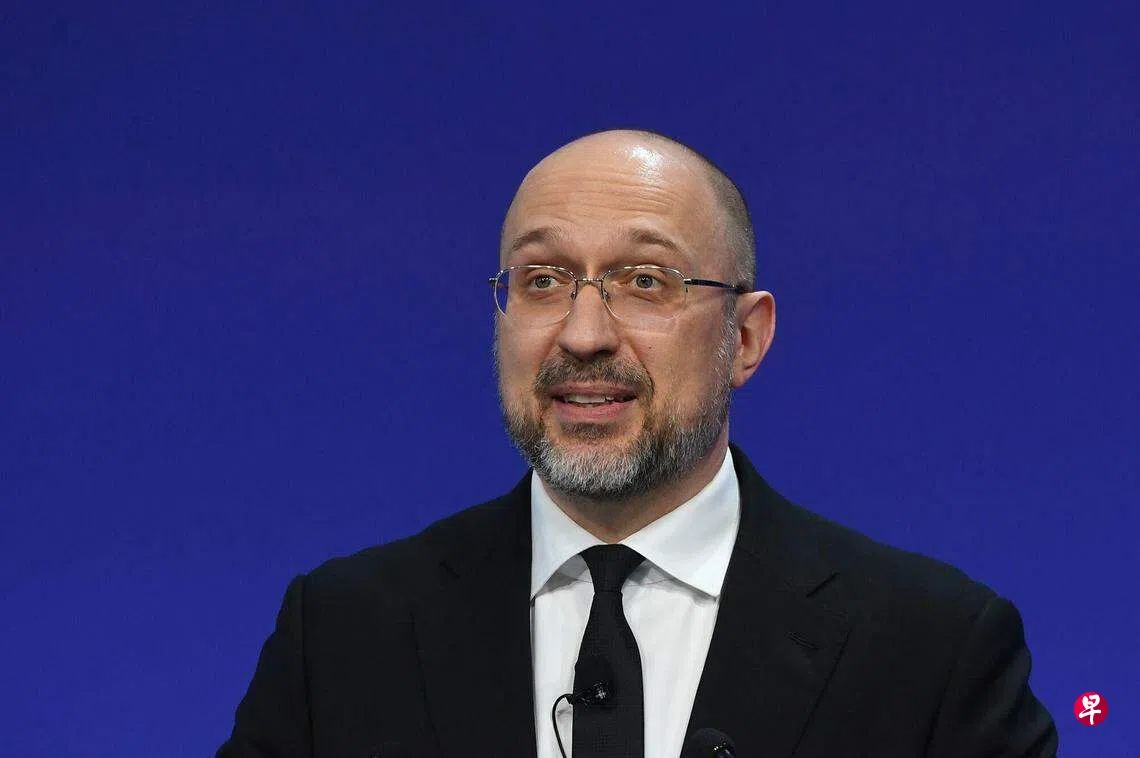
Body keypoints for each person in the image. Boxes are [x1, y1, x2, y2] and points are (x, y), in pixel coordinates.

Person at [217, 129, 1058, 758]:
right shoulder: (340, 634)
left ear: (746, 337)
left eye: (645, 282)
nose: (583, 334)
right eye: (543, 281)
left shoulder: (934, 650)